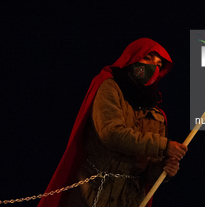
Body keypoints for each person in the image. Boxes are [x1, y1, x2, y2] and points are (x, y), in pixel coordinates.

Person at [38, 38, 188, 207]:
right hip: (92, 196)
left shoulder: (156, 115)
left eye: (159, 65)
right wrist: (164, 146)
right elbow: (111, 133)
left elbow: (149, 172)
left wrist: (165, 169)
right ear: (132, 58)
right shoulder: (110, 87)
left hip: (129, 200)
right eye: (147, 58)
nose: (153, 67)